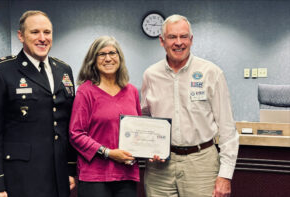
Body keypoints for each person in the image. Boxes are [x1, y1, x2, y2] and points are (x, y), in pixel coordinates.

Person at [0, 10, 76, 197]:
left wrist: (70, 169)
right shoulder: (1, 70)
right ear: (21, 36)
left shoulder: (63, 70)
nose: (42, 38)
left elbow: (66, 124)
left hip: (58, 175)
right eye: (35, 32)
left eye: (47, 32)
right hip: (21, 178)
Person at [141, 14, 239, 197]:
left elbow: (227, 128)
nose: (179, 42)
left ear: (191, 40)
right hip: (160, 167)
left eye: (183, 36)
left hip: (201, 163)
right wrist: (149, 146)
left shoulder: (211, 73)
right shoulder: (150, 75)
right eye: (172, 37)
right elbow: (146, 117)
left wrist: (225, 175)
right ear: (162, 41)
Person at [69, 36, 141, 197]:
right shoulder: (85, 91)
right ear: (93, 60)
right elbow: (76, 134)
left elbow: (139, 130)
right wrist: (108, 152)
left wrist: (151, 151)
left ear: (120, 58)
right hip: (95, 176)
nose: (108, 58)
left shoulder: (132, 91)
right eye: (101, 54)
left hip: (127, 174)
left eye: (112, 53)